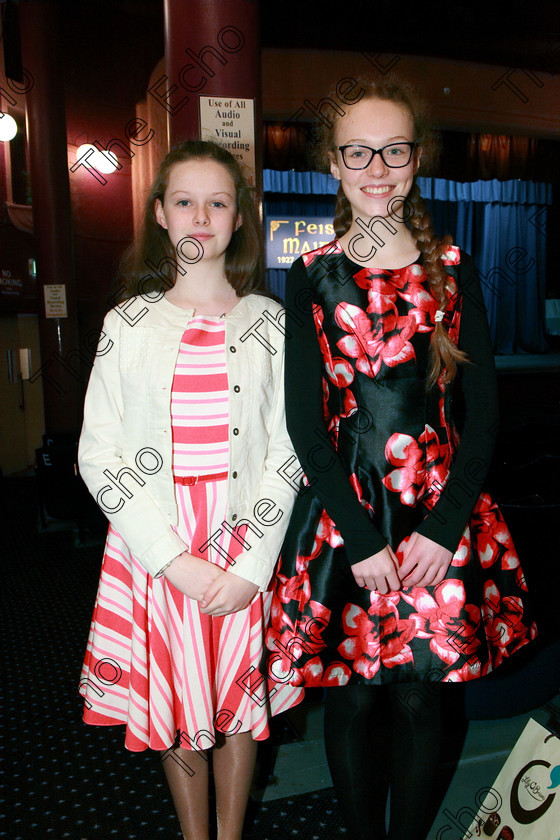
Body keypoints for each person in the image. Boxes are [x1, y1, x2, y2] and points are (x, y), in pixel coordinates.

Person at [264, 78, 537, 840]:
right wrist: (360, 534)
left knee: (422, 697)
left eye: (394, 148)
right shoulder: (311, 272)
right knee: (353, 697)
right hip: (350, 519)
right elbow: (303, 422)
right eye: (358, 150)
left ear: (417, 157)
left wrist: (444, 529)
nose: (376, 165)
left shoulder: (454, 265)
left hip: (439, 520)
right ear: (332, 161)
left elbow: (482, 418)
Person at [78, 140, 304, 840]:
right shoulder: (129, 324)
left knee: (239, 704)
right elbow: (98, 454)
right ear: (160, 215)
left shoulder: (271, 323)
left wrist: (250, 567)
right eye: (185, 201)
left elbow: (290, 450)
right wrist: (173, 560)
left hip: (244, 545)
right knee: (177, 709)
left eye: (218, 201)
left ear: (239, 218)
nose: (201, 216)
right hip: (159, 549)